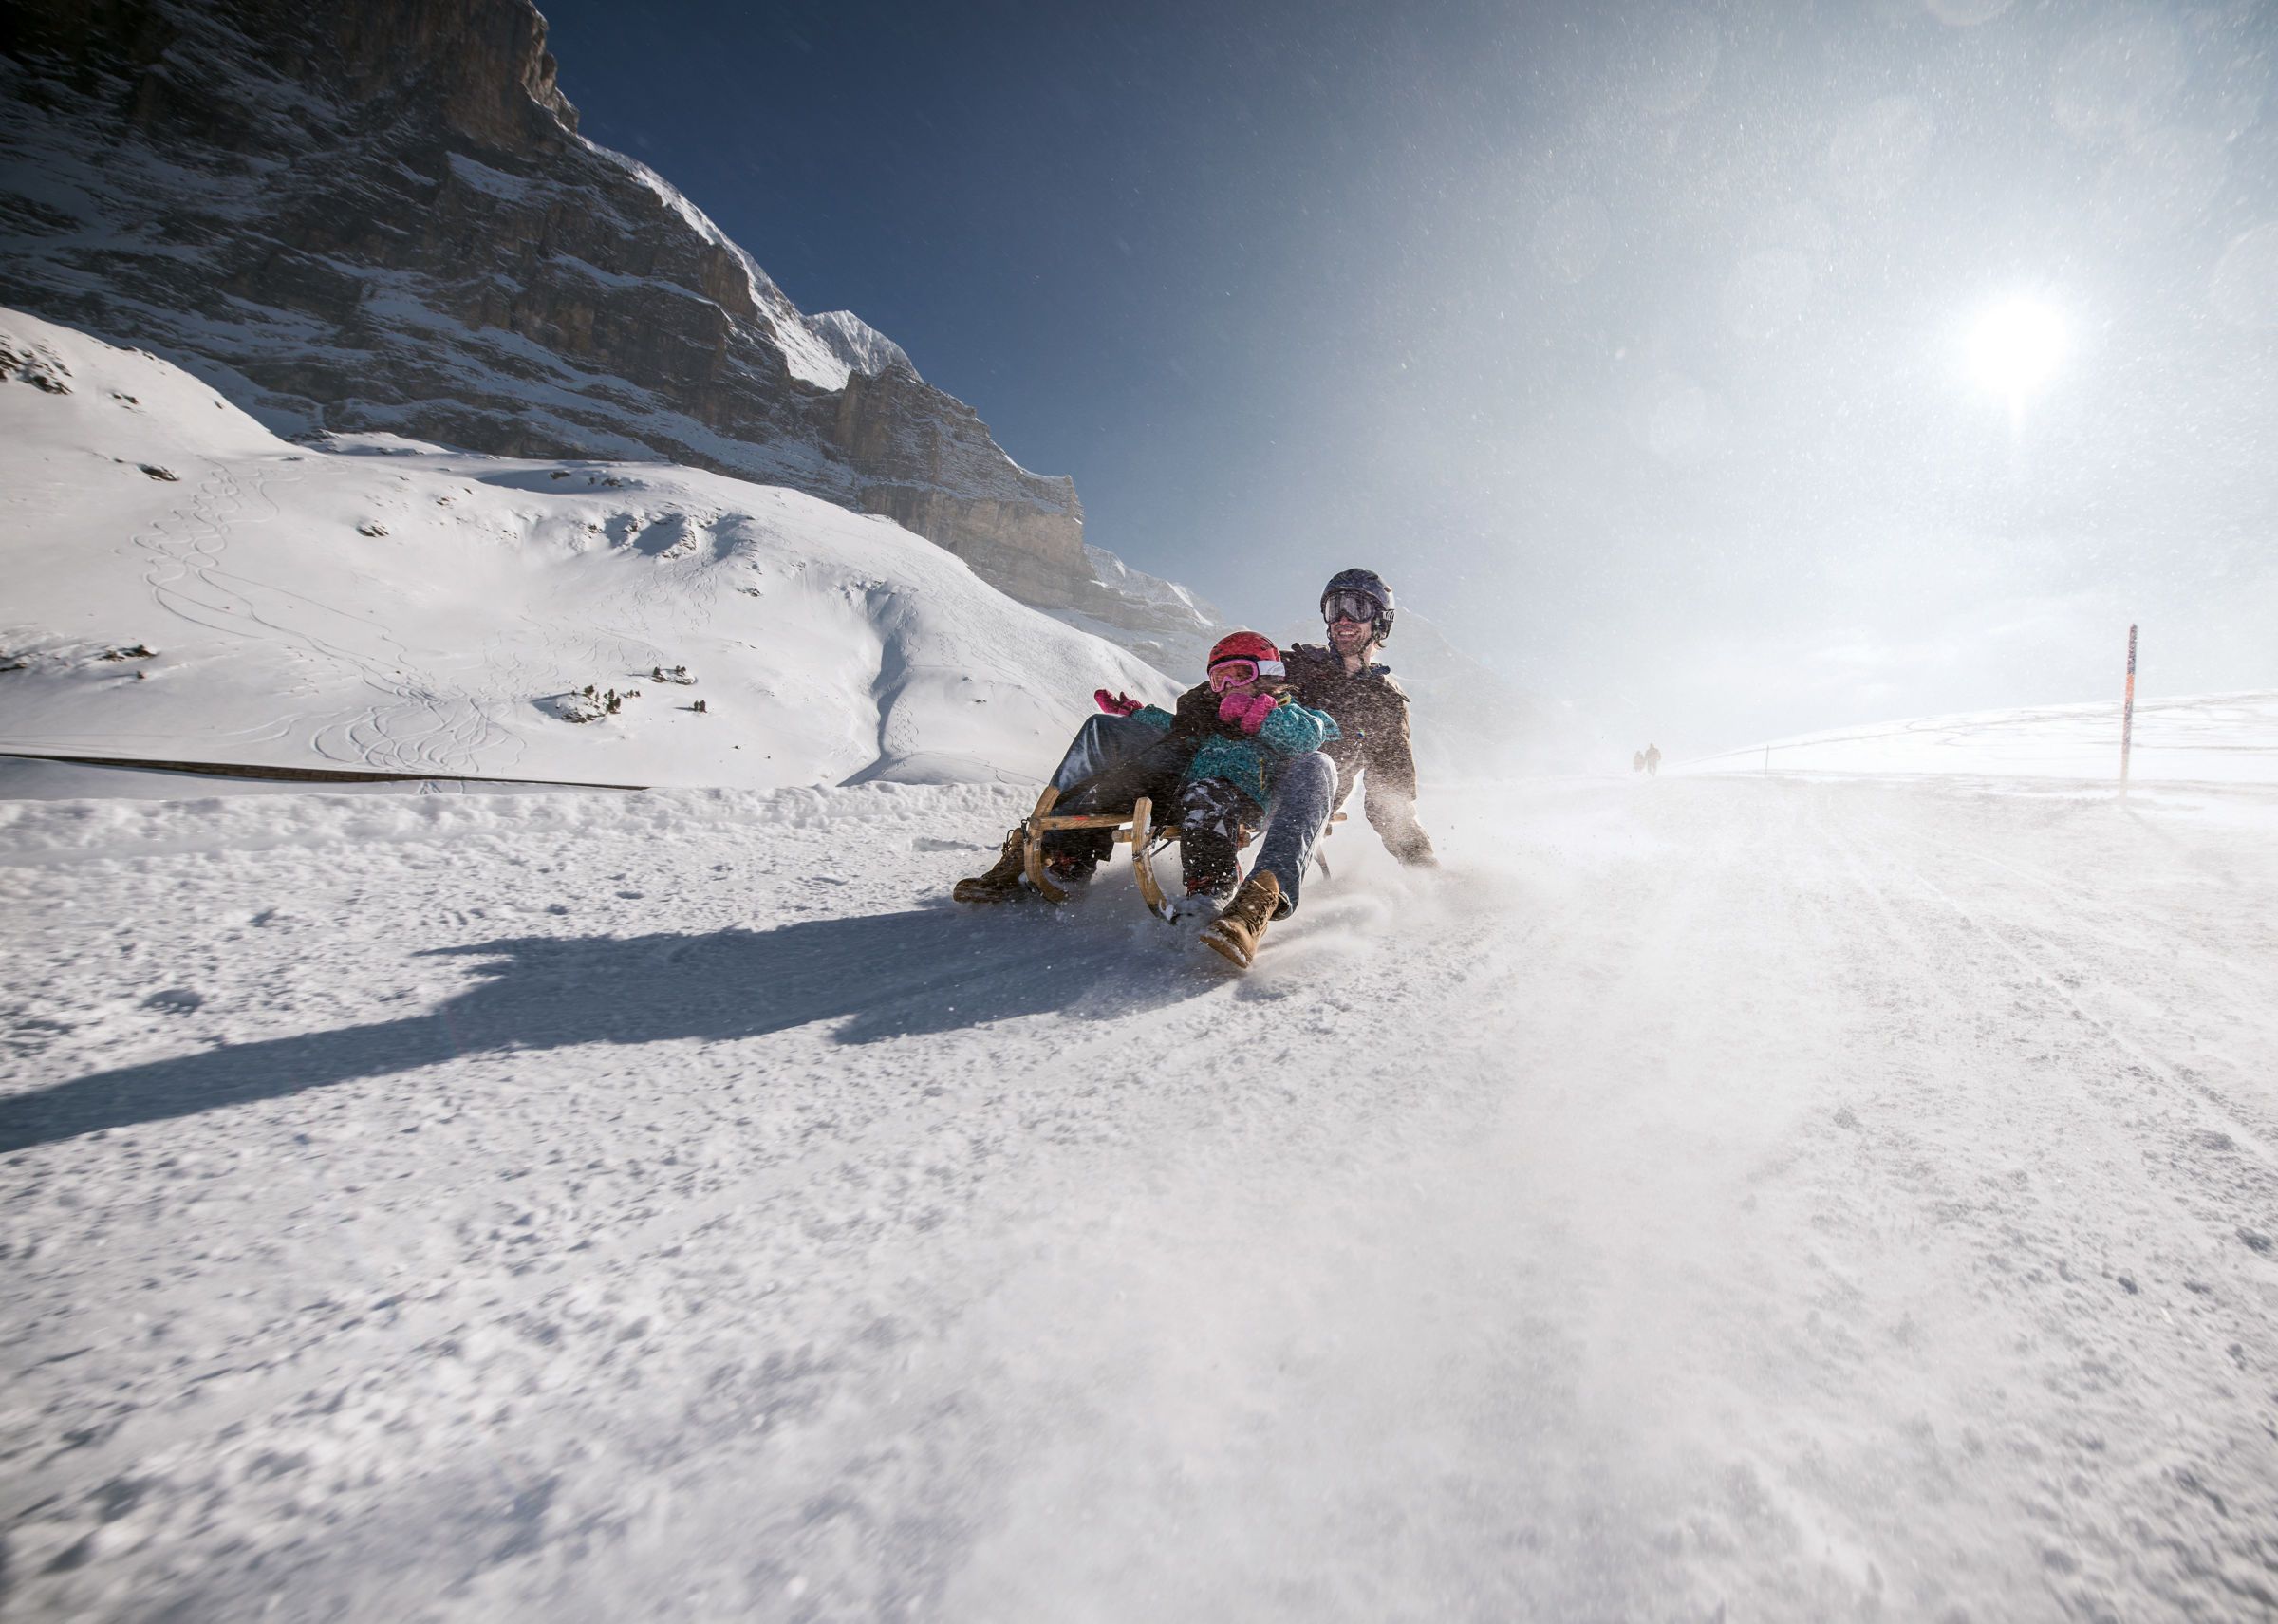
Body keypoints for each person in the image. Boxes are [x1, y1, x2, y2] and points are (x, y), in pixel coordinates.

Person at [1279, 568, 1437, 868]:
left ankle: (1270, 885)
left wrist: (1422, 864)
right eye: (1334, 608)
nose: (1343, 619)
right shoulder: (1297, 666)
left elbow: (1388, 797)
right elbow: (1226, 687)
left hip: (1314, 801)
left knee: (1317, 769)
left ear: (1380, 621)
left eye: (1356, 607)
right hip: (1257, 783)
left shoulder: (1383, 701)